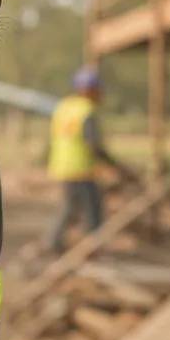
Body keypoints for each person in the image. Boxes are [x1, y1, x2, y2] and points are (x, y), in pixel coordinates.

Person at [46, 67, 135, 253]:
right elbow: (93, 146)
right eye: (98, 90)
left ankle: (56, 242)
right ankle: (91, 248)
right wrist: (118, 167)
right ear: (90, 90)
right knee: (93, 209)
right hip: (80, 168)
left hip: (62, 166)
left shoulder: (64, 106)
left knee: (72, 207)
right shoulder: (86, 111)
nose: (100, 94)